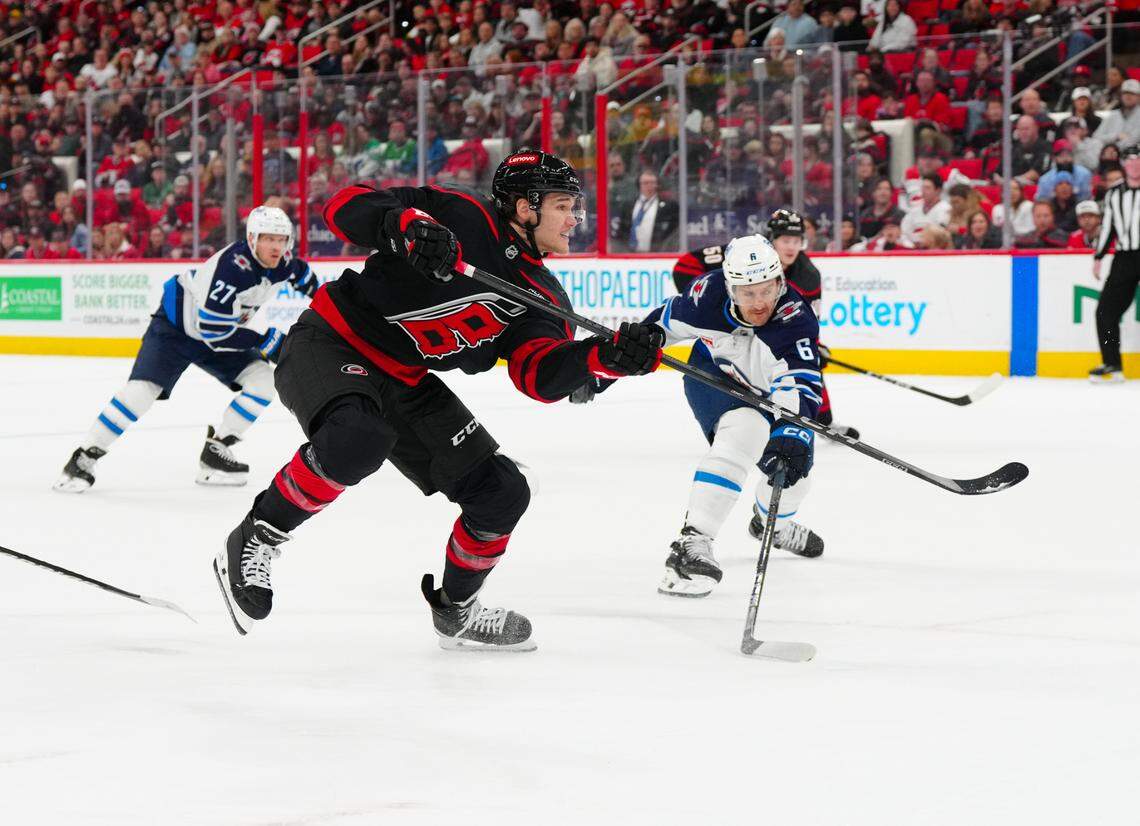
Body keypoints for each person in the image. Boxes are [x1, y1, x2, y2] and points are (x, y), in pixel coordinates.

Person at [213, 150, 665, 647]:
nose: (575, 219)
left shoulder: (542, 292)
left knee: (502, 492)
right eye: (563, 205)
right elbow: (343, 205)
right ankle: (257, 535)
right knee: (357, 437)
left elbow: (538, 374)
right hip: (331, 341)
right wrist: (402, 226)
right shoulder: (459, 215)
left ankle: (457, 612)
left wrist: (604, 358)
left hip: (405, 380)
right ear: (524, 208)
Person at [54, 206, 317, 494]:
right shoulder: (232, 269)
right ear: (252, 238)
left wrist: (335, 308)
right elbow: (215, 333)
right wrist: (267, 341)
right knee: (141, 392)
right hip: (176, 330)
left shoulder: (284, 262)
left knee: (263, 383)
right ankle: (83, 458)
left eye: (281, 239)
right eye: (268, 238)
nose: (276, 246)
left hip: (218, 331)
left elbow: (307, 280)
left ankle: (217, 451)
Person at [768, 208, 859, 439]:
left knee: (809, 361)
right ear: (773, 240)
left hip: (785, 332)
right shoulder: (756, 262)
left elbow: (809, 320)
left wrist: (813, 344)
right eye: (785, 240)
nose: (791, 247)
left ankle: (824, 422)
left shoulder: (808, 275)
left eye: (796, 240)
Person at [1090, 145, 1140, 382]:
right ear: (1122, 164)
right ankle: (1112, 363)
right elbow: (1108, 227)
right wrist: (1099, 257)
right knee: (1105, 312)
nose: (1135, 164)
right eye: (1130, 159)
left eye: (1139, 159)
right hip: (1124, 258)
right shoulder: (1113, 194)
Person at [613, 170, 680, 252]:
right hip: (629, 255)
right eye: (645, 183)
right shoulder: (629, 205)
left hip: (655, 255)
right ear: (639, 185)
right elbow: (621, 231)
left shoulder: (669, 206)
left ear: (657, 185)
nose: (649, 186)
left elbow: (672, 233)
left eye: (652, 183)